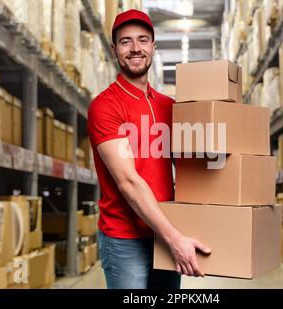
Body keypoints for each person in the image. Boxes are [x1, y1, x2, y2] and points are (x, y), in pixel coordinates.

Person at [87, 9, 211, 289]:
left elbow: (192, 170)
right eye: (125, 41)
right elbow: (128, 181)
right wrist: (175, 239)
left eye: (143, 40)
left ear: (153, 46)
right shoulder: (105, 106)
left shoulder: (169, 106)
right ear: (114, 49)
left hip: (166, 233)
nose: (135, 48)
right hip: (125, 239)